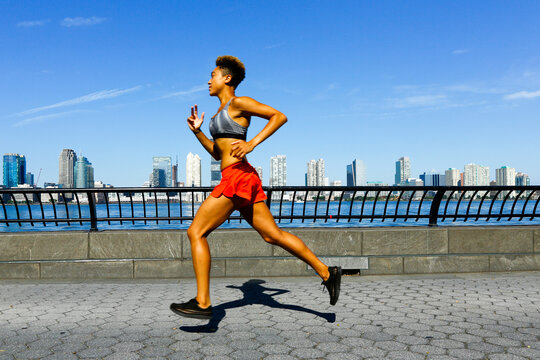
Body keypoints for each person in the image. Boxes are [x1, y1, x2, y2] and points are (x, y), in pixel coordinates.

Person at [170, 56, 341, 320]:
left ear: (226, 78)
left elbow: (278, 116)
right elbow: (218, 154)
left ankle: (203, 302)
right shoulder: (218, 114)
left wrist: (252, 144)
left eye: (213, 75)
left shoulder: (239, 102)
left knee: (196, 232)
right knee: (272, 235)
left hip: (237, 176)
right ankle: (327, 272)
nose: (208, 80)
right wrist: (198, 132)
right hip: (238, 175)